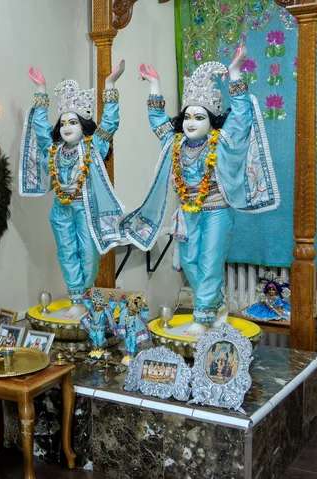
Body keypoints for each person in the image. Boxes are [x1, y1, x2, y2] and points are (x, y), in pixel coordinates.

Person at [118, 44, 279, 337]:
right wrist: (154, 85)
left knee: (209, 261)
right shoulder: (175, 143)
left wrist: (234, 73)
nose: (191, 122)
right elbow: (157, 121)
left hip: (217, 210)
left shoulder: (223, 141)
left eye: (199, 117)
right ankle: (216, 308)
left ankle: (202, 318)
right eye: (188, 117)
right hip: (188, 213)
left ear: (213, 121)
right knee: (190, 262)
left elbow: (242, 115)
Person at [19, 62, 127, 318]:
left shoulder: (93, 148)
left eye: (74, 122)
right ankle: (76, 297)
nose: (67, 127)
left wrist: (110, 86)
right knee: (67, 252)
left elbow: (110, 123)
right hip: (61, 209)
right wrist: (40, 90)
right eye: (64, 122)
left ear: (84, 127)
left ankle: (85, 292)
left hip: (87, 209)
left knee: (88, 255)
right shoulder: (54, 150)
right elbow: (41, 130)